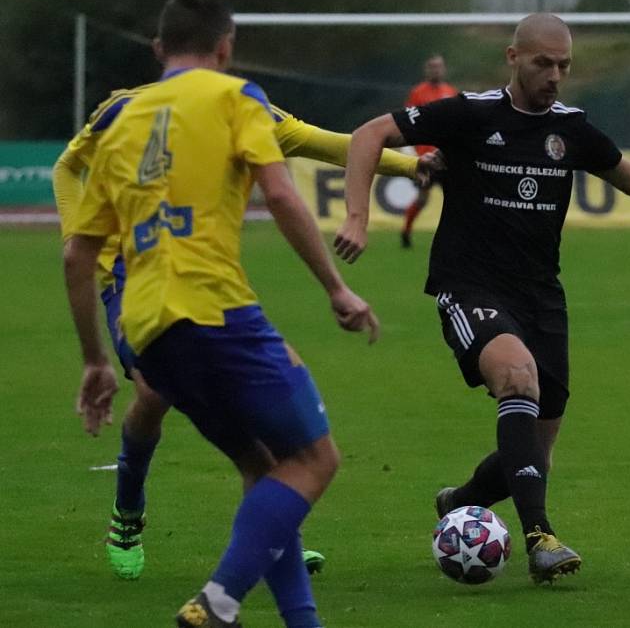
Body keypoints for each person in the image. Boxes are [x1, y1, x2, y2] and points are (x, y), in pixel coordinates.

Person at [333, 13, 630, 584]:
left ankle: (461, 501)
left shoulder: (572, 129)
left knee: (533, 457)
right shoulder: (471, 114)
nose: (555, 75)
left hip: (542, 298)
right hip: (469, 287)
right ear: (513, 57)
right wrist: (357, 216)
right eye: (544, 63)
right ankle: (540, 536)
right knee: (516, 377)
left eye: (564, 65)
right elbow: (371, 134)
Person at [65, 0, 379, 628]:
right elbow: (282, 196)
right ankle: (219, 601)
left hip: (146, 329)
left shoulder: (119, 121)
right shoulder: (237, 98)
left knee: (264, 470)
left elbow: (77, 254)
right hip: (215, 310)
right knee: (317, 460)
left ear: (159, 50)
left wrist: (96, 361)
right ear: (227, 47)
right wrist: (335, 289)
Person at [54, 75, 437, 583]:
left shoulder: (242, 106)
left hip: (208, 281)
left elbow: (319, 142)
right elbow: (68, 165)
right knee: (153, 395)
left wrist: (411, 164)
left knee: (260, 401)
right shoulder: (126, 110)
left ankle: (274, 539)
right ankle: (129, 513)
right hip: (133, 274)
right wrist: (87, 241)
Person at [400, 54, 458, 248]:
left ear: (444, 69)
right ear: (427, 69)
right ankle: (406, 231)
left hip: (447, 157)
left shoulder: (450, 92)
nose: (436, 70)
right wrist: (412, 151)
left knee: (456, 199)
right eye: (432, 66)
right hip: (426, 158)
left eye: (439, 66)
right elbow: (407, 122)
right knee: (423, 198)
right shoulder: (418, 93)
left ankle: (455, 238)